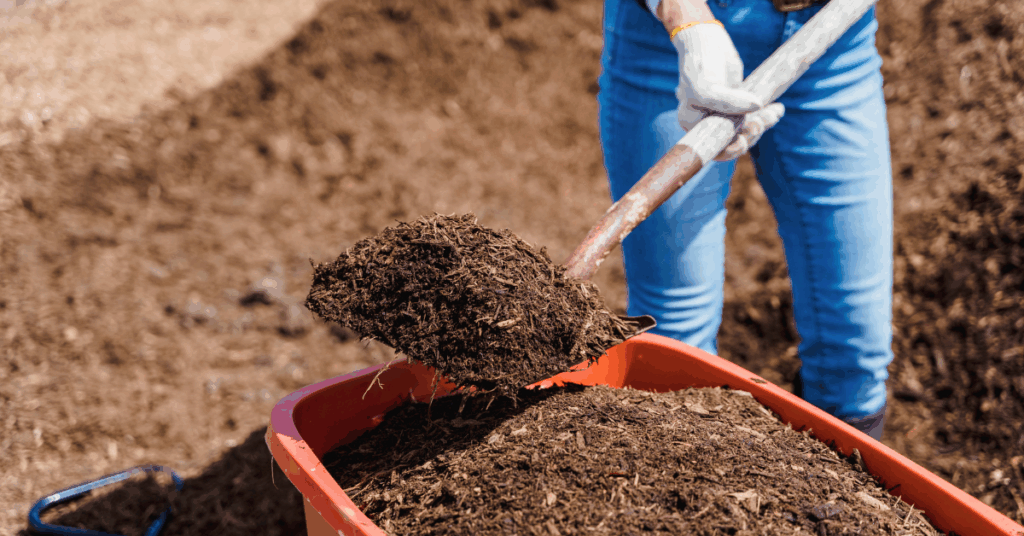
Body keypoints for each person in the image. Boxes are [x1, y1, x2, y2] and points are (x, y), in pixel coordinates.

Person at [598, 0, 892, 440]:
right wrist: (686, 20)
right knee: (676, 337)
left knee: (855, 349)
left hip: (834, 38)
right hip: (674, 44)